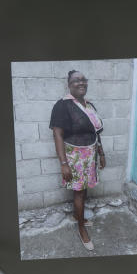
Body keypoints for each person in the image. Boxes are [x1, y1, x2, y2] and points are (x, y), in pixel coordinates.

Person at [50, 70, 107, 251]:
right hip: (74, 156)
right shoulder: (62, 105)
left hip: (90, 153)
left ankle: (78, 216)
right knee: (79, 193)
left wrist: (101, 152)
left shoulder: (89, 105)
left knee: (85, 190)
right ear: (69, 84)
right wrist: (64, 163)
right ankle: (81, 228)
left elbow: (95, 132)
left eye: (83, 80)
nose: (81, 83)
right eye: (76, 80)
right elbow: (57, 134)